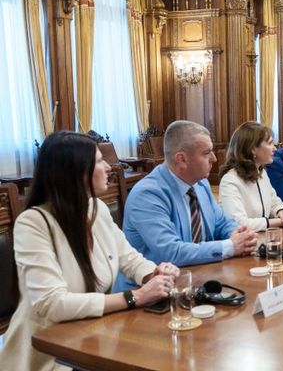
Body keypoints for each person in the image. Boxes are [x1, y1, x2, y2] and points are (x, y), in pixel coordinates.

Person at [0, 132, 178, 370]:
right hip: (49, 354)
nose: (109, 167)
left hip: (93, 337)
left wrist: (154, 274)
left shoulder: (97, 208)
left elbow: (129, 258)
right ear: (77, 171)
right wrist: (135, 297)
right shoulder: (33, 223)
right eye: (100, 161)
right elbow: (52, 304)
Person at [121, 120, 258, 280]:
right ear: (182, 159)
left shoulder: (200, 184)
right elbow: (171, 252)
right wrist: (230, 246)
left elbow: (221, 223)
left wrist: (238, 234)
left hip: (202, 276)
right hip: (153, 288)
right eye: (206, 153)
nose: (214, 158)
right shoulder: (147, 194)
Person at [219, 122, 283, 231]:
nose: (274, 148)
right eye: (270, 143)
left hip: (263, 237)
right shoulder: (230, 180)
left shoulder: (261, 172)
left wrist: (282, 211)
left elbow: (274, 201)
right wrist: (280, 221)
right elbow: (239, 224)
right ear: (253, 149)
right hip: (245, 240)